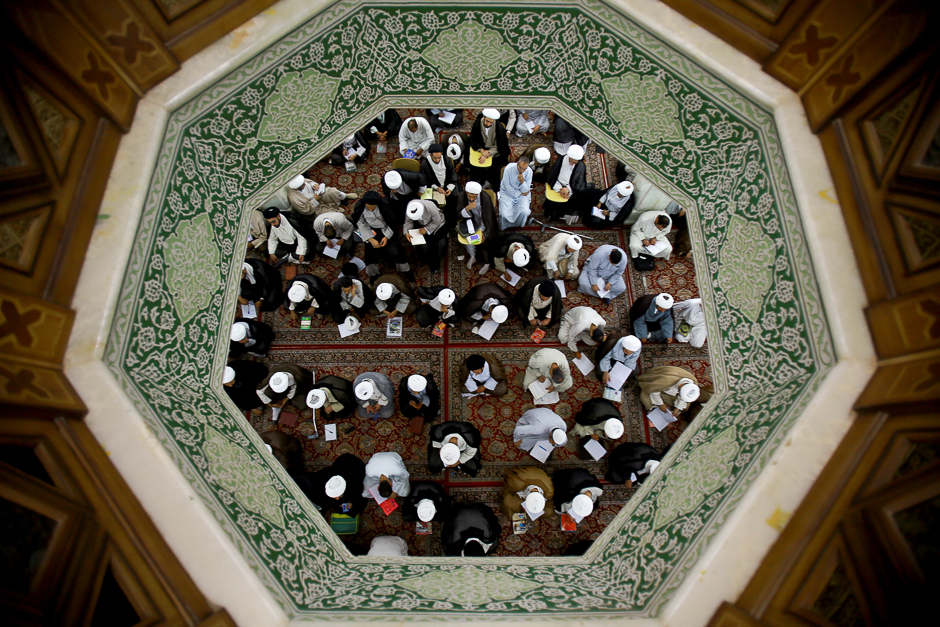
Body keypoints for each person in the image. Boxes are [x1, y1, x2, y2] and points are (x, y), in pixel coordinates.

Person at [351, 191, 413, 283]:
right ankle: (374, 274)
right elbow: (361, 224)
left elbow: (392, 223)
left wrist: (386, 237)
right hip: (371, 231)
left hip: (385, 229)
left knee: (397, 252)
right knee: (369, 256)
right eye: (369, 209)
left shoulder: (385, 207)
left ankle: (406, 271)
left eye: (373, 208)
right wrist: (371, 239)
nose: (371, 211)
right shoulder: (360, 207)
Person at [456, 181, 499, 272]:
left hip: (483, 223)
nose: (471, 199)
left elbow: (489, 218)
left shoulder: (485, 198)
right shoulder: (462, 196)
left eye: (474, 197)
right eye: (469, 196)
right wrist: (467, 208)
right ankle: (472, 256)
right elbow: (458, 214)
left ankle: (487, 262)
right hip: (469, 221)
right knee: (468, 239)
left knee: (483, 241)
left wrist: (484, 232)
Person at [468, 108, 509, 190]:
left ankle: (491, 184)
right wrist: (481, 150)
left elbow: (500, 145)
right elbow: (474, 139)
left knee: (496, 169)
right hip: (480, 149)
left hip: (494, 152)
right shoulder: (477, 123)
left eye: (491, 122)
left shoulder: (499, 127)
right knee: (475, 166)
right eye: (487, 121)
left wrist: (487, 153)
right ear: (484, 117)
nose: (488, 124)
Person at [544, 144, 587, 220]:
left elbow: (579, 183)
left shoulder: (581, 166)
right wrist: (560, 189)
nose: (572, 164)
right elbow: (552, 176)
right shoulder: (562, 159)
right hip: (557, 185)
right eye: (571, 161)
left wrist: (568, 190)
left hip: (570, 189)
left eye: (575, 162)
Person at [419, 143, 458, 225]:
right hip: (433, 187)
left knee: (455, 198)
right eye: (435, 158)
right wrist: (436, 188)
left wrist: (450, 189)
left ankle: (450, 222)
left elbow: (453, 175)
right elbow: (424, 180)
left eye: (439, 157)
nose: (437, 160)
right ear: (430, 155)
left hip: (447, 185)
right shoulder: (425, 164)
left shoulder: (447, 160)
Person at [404, 199, 447, 272]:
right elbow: (408, 221)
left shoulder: (431, 206)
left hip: (437, 225)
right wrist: (407, 232)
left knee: (436, 245)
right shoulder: (410, 207)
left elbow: (437, 221)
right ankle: (426, 258)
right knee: (424, 246)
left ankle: (435, 263)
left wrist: (426, 229)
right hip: (421, 225)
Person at [286, 174, 356, 217]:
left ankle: (345, 196)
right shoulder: (294, 199)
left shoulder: (300, 181)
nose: (305, 184)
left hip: (318, 194)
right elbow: (306, 210)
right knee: (327, 214)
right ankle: (336, 210)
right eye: (303, 185)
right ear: (297, 188)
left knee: (332, 192)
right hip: (315, 207)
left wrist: (314, 185)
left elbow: (310, 182)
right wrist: (315, 200)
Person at [497, 156, 533, 229]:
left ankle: (518, 224)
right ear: (517, 163)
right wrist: (518, 193)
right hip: (508, 193)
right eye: (520, 168)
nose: (522, 171)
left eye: (524, 169)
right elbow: (506, 186)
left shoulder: (529, 172)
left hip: (522, 195)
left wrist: (522, 182)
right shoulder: (509, 168)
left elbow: (526, 190)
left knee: (524, 212)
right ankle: (504, 226)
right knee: (504, 214)